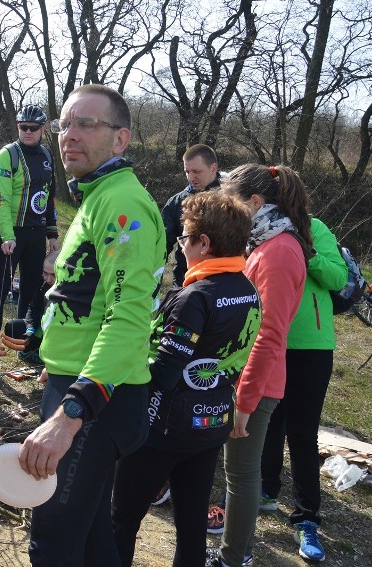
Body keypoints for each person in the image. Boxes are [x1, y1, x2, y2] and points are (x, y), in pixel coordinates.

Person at [17, 84, 166, 566]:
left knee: (54, 543)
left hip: (97, 401)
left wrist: (70, 413)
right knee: (92, 536)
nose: (68, 136)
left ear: (120, 139)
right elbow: (87, 295)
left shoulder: (123, 204)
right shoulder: (96, 196)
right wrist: (49, 350)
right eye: (65, 125)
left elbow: (129, 318)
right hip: (79, 381)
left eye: (86, 124)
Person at [111, 191, 261, 567]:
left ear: (204, 243)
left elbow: (163, 371)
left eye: (183, 239)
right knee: (192, 523)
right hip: (211, 424)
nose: (181, 247)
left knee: (123, 518)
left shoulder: (194, 297)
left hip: (163, 429)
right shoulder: (249, 291)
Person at [206, 164, 312, 567]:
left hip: (255, 387)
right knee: (238, 472)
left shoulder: (280, 252)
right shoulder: (264, 245)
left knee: (242, 474)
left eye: (233, 202)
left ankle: (234, 557)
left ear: (254, 203)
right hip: (244, 380)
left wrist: (244, 402)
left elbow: (268, 335)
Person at [259, 216, 347, 562]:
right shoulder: (257, 229)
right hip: (269, 341)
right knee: (267, 423)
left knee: (302, 433)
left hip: (312, 347)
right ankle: (265, 490)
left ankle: (307, 517)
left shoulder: (315, 227)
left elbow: (338, 277)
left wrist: (306, 253)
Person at [0, 104, 59, 379]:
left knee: (31, 294)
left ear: (41, 130)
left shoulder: (48, 155)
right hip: (10, 233)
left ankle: (27, 348)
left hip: (36, 233)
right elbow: (1, 200)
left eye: (33, 128)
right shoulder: (7, 155)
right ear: (18, 128)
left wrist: (52, 233)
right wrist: (6, 236)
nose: (27, 132)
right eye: (23, 127)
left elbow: (49, 197)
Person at [161, 144, 223, 286]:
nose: (190, 177)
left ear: (213, 168)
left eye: (196, 171)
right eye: (187, 172)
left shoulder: (232, 199)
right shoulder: (177, 202)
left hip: (223, 283)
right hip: (185, 283)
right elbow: (161, 245)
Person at [1, 250, 58, 367]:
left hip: (56, 335)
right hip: (39, 330)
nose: (48, 279)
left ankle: (45, 357)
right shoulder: (42, 283)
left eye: (53, 275)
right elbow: (33, 308)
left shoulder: (69, 289)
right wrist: (30, 329)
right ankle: (35, 352)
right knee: (12, 327)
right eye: (45, 273)